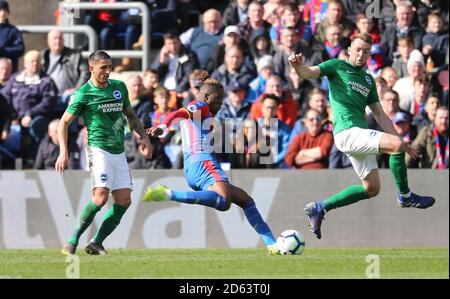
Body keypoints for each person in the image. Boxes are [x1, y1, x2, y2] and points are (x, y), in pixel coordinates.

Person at [288, 33, 436, 240]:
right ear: (349, 49)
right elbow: (309, 73)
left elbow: (380, 114)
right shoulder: (336, 66)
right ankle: (405, 196)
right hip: (347, 132)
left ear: (369, 55)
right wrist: (297, 67)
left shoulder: (368, 80)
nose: (361, 54)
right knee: (393, 146)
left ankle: (320, 208)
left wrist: (400, 142)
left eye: (366, 51)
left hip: (358, 134)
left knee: (372, 188)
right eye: (357, 49)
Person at [143, 78, 280, 255]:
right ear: (206, 96)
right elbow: (179, 113)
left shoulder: (205, 113)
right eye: (217, 98)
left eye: (222, 98)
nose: (221, 102)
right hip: (203, 163)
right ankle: (168, 194)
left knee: (246, 200)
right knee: (224, 201)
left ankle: (272, 244)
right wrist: (163, 125)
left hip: (194, 167)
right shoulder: (200, 105)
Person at [56, 50, 153, 256]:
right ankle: (72, 240)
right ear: (92, 68)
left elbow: (131, 116)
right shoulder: (83, 93)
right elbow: (63, 123)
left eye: (110, 67)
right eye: (103, 68)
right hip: (98, 149)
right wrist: (63, 152)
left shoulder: (119, 88)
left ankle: (96, 242)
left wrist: (144, 136)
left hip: (118, 151)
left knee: (124, 200)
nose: (108, 71)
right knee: (100, 197)